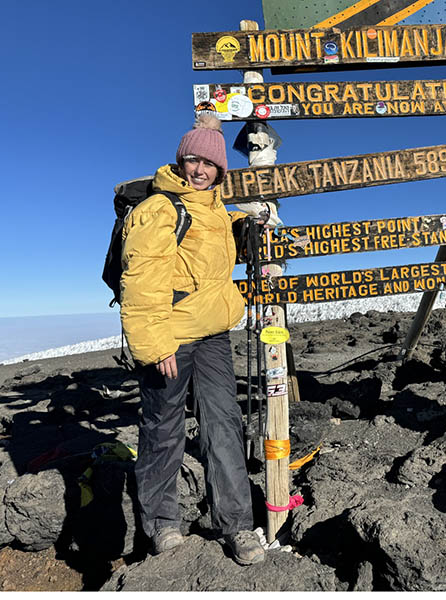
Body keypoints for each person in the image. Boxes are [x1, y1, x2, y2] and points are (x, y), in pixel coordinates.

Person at [119, 114, 265, 565]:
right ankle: (162, 525)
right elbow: (141, 279)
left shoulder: (216, 210)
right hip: (171, 338)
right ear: (180, 161)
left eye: (209, 163)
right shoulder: (159, 208)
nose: (200, 170)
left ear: (221, 170)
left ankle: (237, 524)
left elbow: (208, 258)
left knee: (224, 426)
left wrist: (243, 227)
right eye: (193, 160)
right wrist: (156, 343)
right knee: (163, 430)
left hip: (213, 336)